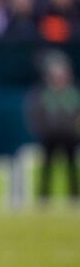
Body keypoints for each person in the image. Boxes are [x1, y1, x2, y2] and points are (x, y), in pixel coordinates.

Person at [26, 49, 79, 202]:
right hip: (50, 137)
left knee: (71, 167)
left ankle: (74, 196)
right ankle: (44, 197)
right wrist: (41, 130)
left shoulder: (73, 93)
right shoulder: (43, 93)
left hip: (70, 136)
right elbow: (36, 115)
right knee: (47, 167)